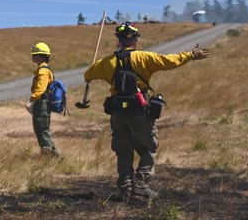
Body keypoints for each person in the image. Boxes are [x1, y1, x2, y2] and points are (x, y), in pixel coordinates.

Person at [83, 21, 209, 202]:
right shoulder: (144, 58)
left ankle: (125, 190)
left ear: (119, 39)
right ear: (134, 39)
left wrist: (94, 68)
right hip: (139, 110)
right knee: (148, 148)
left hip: (117, 113)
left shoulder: (105, 63)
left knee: (123, 151)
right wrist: (190, 55)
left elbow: (87, 75)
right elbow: (169, 61)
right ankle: (141, 187)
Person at [26, 42, 61, 158]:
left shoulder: (43, 71)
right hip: (42, 103)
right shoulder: (43, 70)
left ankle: (47, 156)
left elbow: (40, 88)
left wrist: (32, 100)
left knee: (41, 130)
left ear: (42, 56)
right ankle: (55, 155)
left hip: (41, 103)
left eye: (35, 54)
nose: (33, 56)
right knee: (42, 130)